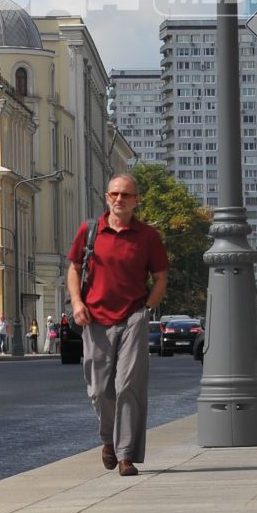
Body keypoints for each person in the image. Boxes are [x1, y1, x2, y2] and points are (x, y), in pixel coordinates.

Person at [68, 173, 168, 477]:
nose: (119, 199)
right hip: (95, 318)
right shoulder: (90, 231)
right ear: (107, 198)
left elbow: (161, 277)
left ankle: (126, 455)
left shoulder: (148, 236)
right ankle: (108, 440)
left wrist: (147, 307)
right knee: (99, 390)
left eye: (126, 195)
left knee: (127, 386)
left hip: (132, 318)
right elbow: (73, 268)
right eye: (114, 194)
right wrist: (77, 303)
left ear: (136, 201)